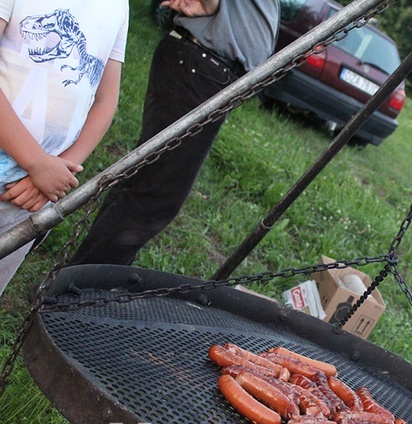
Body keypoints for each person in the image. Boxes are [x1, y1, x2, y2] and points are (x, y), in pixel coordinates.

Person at [69, 0, 280, 266]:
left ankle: (79, 280)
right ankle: (77, 290)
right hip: (199, 63)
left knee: (147, 180)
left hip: (204, 66)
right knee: (155, 192)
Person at [0, 1, 128, 296]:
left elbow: (105, 100)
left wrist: (60, 168)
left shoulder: (118, 5)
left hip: (32, 192)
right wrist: (36, 163)